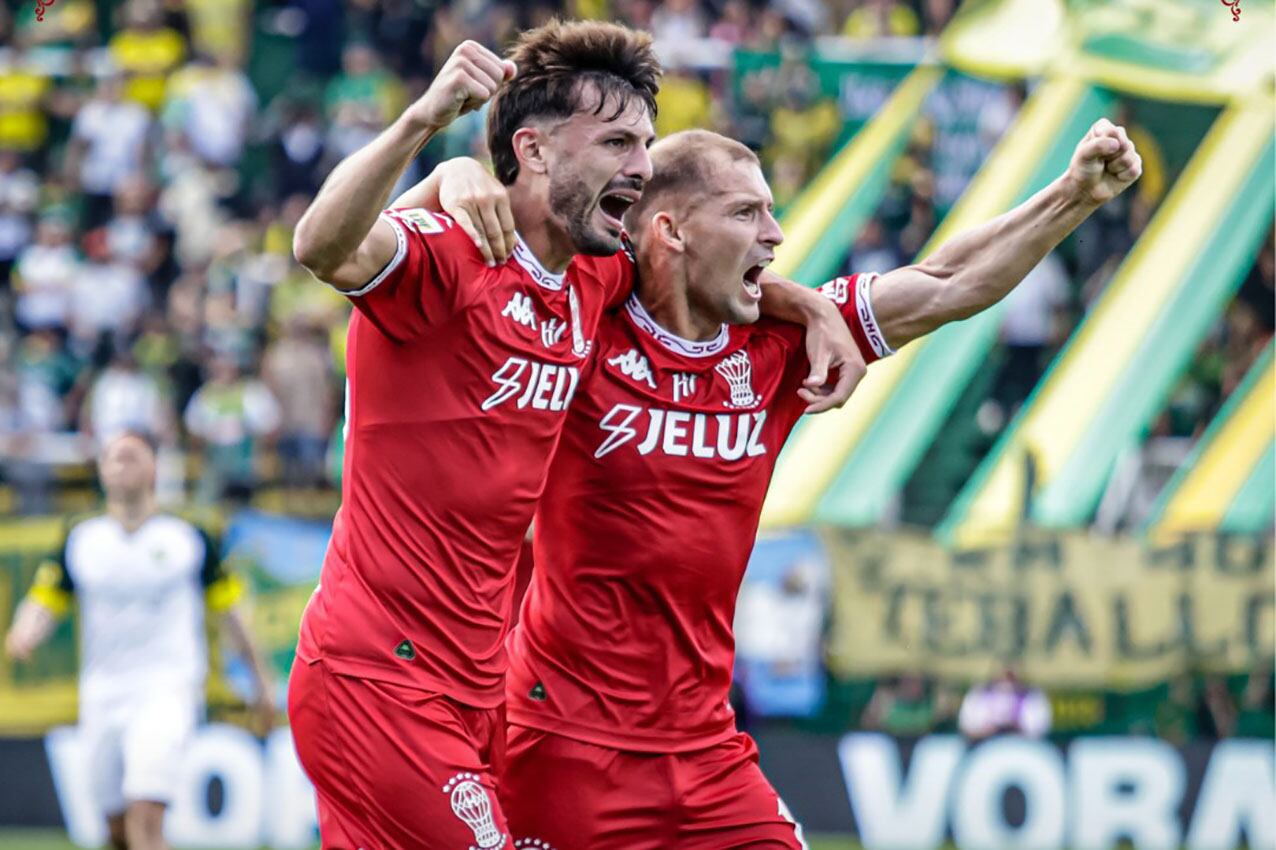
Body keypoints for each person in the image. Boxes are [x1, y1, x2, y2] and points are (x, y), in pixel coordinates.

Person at [426, 115, 1139, 845]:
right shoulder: (581, 328)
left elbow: (945, 281)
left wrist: (1073, 196)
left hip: (706, 751)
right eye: (746, 212)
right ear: (671, 230)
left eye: (769, 210)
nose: (775, 234)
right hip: (562, 746)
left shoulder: (778, 348)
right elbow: (477, 254)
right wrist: (452, 175)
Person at [287, 21, 859, 849]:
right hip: (380, 671)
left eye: (648, 144)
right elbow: (320, 244)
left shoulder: (597, 274)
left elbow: (707, 262)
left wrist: (809, 305)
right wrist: (428, 134)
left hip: (477, 690)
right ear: (538, 150)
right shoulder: (453, 252)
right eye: (619, 142)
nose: (641, 166)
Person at [3, 431, 275, 850]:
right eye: (114, 456)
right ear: (100, 471)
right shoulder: (81, 538)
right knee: (115, 831)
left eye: (133, 455)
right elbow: (44, 600)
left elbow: (231, 613)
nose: (122, 462)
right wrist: (24, 633)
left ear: (154, 467)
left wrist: (263, 684)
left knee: (145, 817)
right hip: (103, 693)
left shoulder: (189, 536)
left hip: (167, 689)